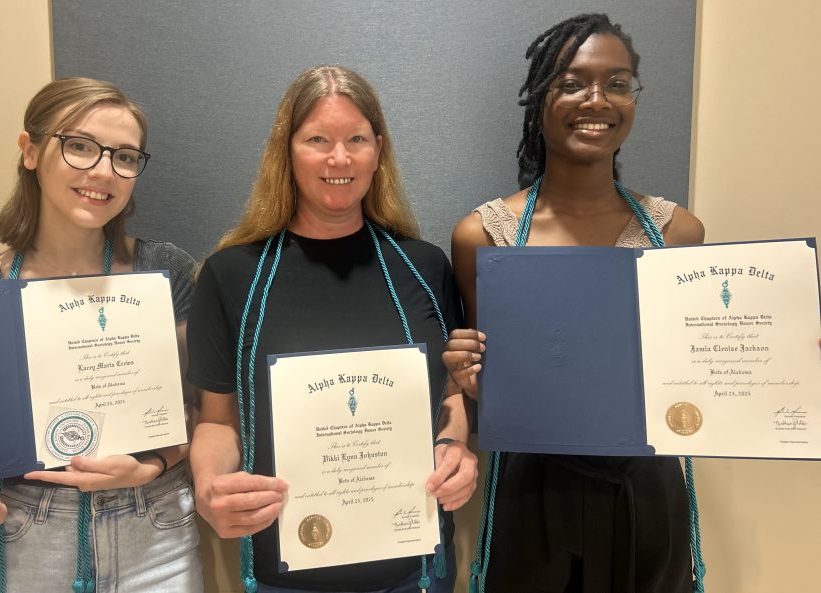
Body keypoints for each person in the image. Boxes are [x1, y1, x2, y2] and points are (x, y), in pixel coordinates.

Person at [186, 65, 478, 593]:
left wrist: (454, 448)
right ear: (287, 152)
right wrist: (209, 485)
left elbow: (450, 395)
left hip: (415, 569)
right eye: (318, 139)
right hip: (286, 572)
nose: (339, 158)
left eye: (356, 140)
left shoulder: (424, 265)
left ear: (378, 150)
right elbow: (217, 421)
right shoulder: (232, 275)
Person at [443, 14, 706, 593]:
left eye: (617, 82)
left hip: (648, 492)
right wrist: (470, 375)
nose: (597, 99)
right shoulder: (485, 236)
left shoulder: (679, 234)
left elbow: (696, 367)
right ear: (540, 100)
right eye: (571, 83)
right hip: (531, 491)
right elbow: (494, 384)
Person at [0, 77, 203, 593]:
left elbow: (201, 411)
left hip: (156, 532)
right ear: (29, 151)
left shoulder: (164, 270)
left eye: (124, 157)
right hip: (21, 535)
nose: (103, 171)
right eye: (78, 146)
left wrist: (155, 463)